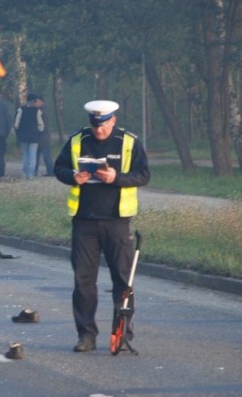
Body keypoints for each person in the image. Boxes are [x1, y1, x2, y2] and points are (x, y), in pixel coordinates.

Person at [53, 100, 150, 352]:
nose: (99, 131)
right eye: (95, 126)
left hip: (117, 222)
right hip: (84, 222)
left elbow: (144, 175)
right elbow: (59, 168)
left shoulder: (128, 142)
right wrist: (73, 176)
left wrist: (116, 178)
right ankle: (86, 335)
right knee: (83, 281)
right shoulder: (77, 140)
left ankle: (122, 333)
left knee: (122, 280)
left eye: (104, 125)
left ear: (114, 120)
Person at [14, 93, 45, 179]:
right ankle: (30, 174)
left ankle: (25, 172)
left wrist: (18, 132)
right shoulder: (37, 111)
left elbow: (16, 124)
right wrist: (39, 132)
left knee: (25, 154)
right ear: (34, 101)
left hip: (23, 135)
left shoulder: (20, 110)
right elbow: (41, 125)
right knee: (33, 155)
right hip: (34, 136)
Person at [34, 106, 54, 177]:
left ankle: (35, 171)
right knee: (45, 155)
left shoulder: (41, 112)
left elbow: (43, 127)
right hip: (44, 138)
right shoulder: (44, 110)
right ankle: (50, 171)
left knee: (44, 155)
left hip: (42, 138)